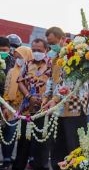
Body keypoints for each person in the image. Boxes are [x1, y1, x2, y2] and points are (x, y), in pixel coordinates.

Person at [42, 26, 88, 170]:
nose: (51, 46)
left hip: (74, 108)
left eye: (53, 42)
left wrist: (54, 99)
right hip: (57, 109)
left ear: (61, 38)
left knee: (73, 145)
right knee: (56, 145)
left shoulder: (75, 55)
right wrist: (45, 97)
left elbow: (69, 83)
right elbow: (51, 79)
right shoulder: (56, 57)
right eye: (49, 43)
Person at [13, 38, 51, 170]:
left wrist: (46, 98)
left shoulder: (53, 64)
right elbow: (20, 81)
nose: (36, 52)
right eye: (34, 50)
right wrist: (29, 96)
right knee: (23, 142)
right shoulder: (28, 63)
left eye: (39, 50)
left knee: (41, 143)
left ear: (46, 50)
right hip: (27, 109)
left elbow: (57, 84)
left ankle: (38, 166)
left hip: (44, 109)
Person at [0, 46, 33, 169]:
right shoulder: (11, 71)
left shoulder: (31, 71)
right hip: (11, 107)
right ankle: (7, 159)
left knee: (24, 137)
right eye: (16, 57)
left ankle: (26, 160)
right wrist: (5, 105)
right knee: (9, 134)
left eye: (20, 57)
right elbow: (7, 89)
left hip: (25, 109)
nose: (18, 60)